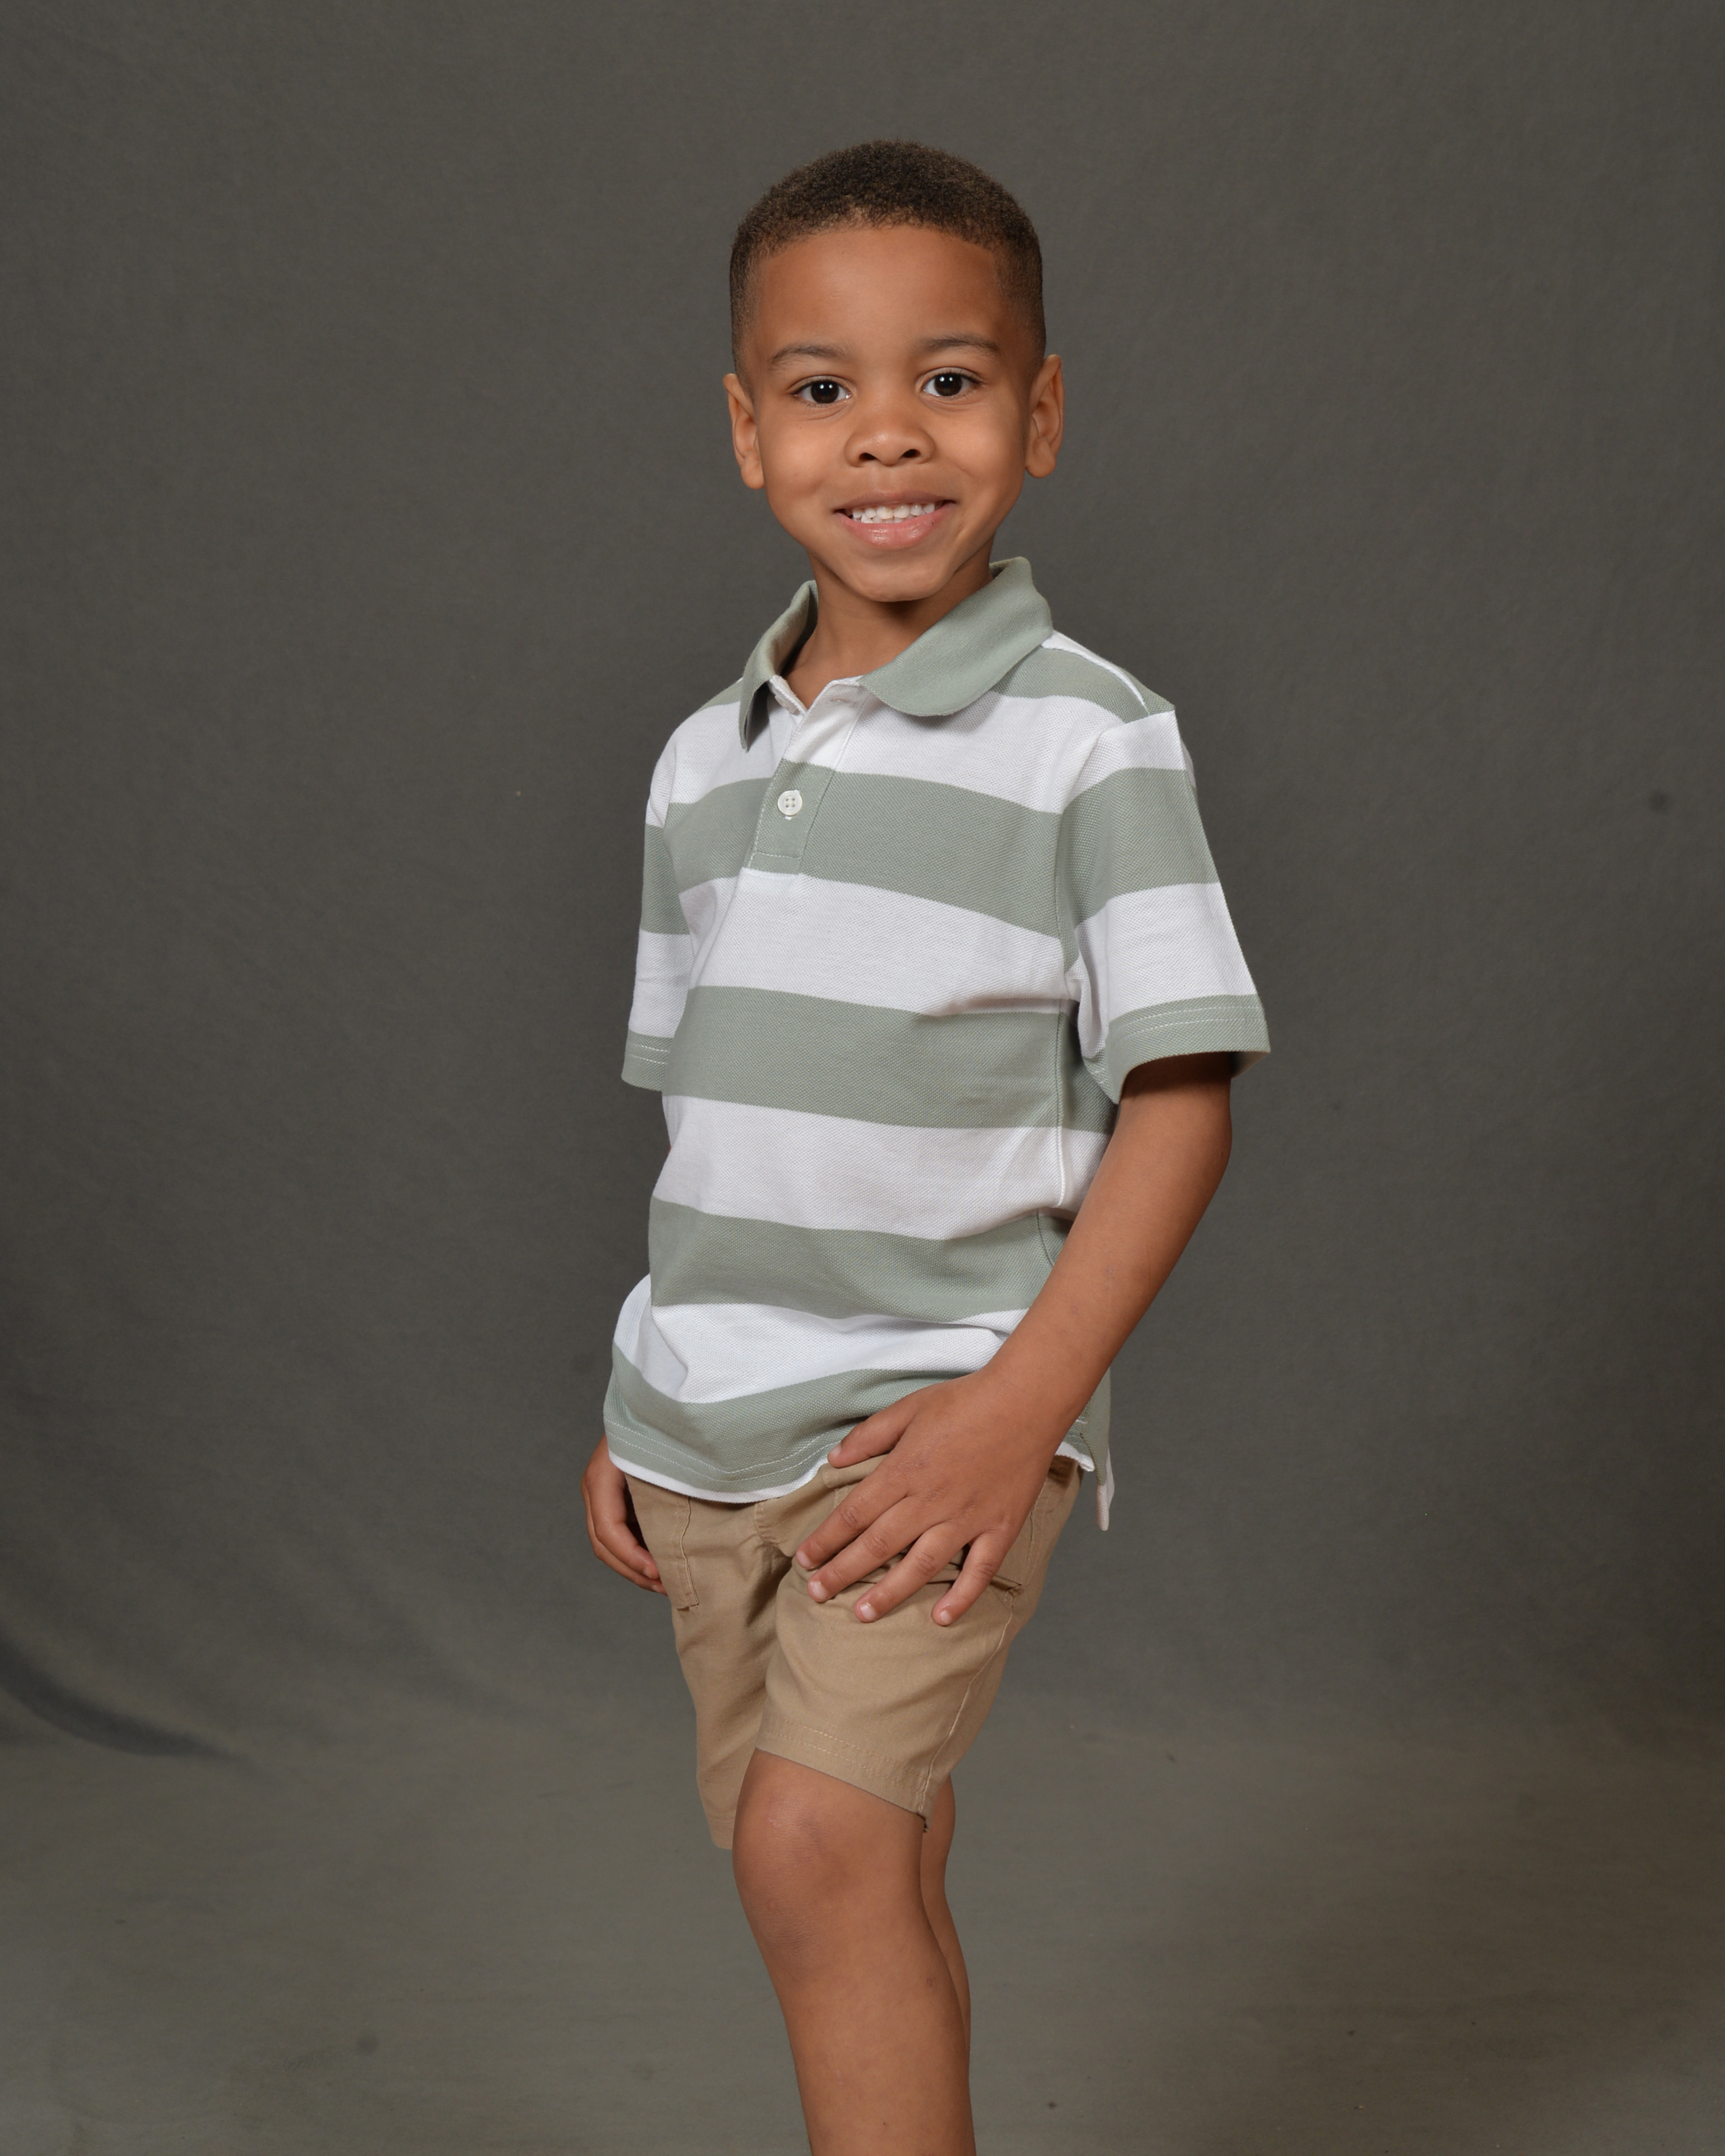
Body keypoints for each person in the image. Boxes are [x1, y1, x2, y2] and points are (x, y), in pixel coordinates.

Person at [581, 140, 1268, 2155]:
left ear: (1039, 415)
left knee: (816, 1849)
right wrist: (637, 1384)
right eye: (824, 389)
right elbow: (719, 1127)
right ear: (748, 432)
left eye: (949, 381)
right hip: (710, 1425)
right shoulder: (702, 762)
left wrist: (1022, 1407)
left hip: (938, 1426)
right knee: (842, 1862)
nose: (887, 432)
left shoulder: (1087, 739)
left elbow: (1184, 1095)